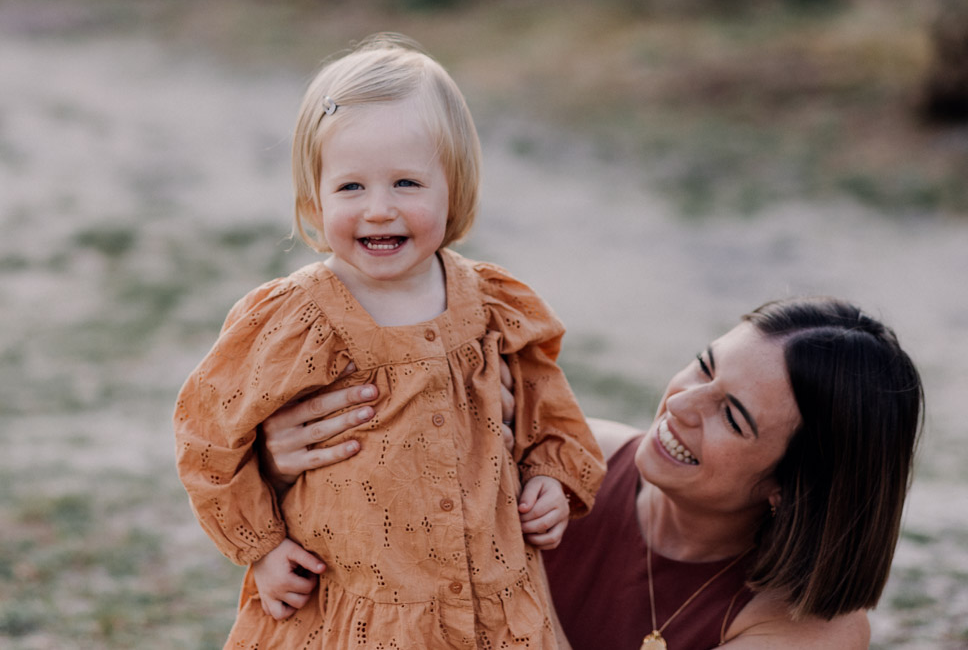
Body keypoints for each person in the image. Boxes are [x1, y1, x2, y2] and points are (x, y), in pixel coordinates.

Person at [173, 33, 605, 649]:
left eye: (407, 183)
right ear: (314, 201)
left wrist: (550, 481)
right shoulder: (297, 318)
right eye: (351, 188)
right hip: (362, 610)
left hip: (494, 600)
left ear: (453, 187)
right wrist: (262, 547)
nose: (379, 209)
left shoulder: (493, 306)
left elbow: (549, 412)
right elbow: (209, 435)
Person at [259, 296, 924, 649]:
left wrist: (506, 569)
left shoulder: (814, 627)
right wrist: (291, 468)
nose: (682, 404)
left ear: (792, 486)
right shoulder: (565, 460)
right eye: (702, 364)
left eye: (734, 416)